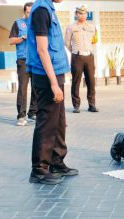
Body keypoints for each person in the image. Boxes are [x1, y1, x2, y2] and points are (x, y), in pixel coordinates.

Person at [26, 0, 78, 185]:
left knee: (59, 121)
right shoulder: (41, 11)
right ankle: (39, 169)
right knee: (47, 123)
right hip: (46, 76)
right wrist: (54, 83)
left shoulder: (49, 9)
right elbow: (42, 49)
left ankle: (56, 161)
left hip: (55, 73)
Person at [64, 4, 99, 113]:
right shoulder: (71, 27)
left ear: (87, 14)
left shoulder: (92, 27)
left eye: (84, 13)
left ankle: (92, 104)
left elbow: (94, 41)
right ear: (76, 14)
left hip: (89, 56)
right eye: (80, 13)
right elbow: (67, 43)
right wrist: (75, 52)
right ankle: (76, 105)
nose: (82, 15)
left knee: (91, 81)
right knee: (76, 81)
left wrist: (88, 50)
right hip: (77, 56)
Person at [9, 2, 38, 126]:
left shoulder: (38, 24)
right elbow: (11, 40)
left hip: (36, 60)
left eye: (32, 12)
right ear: (24, 12)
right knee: (23, 88)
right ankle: (21, 115)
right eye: (28, 12)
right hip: (23, 60)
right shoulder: (18, 23)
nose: (30, 14)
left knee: (36, 87)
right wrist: (22, 37)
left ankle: (33, 112)